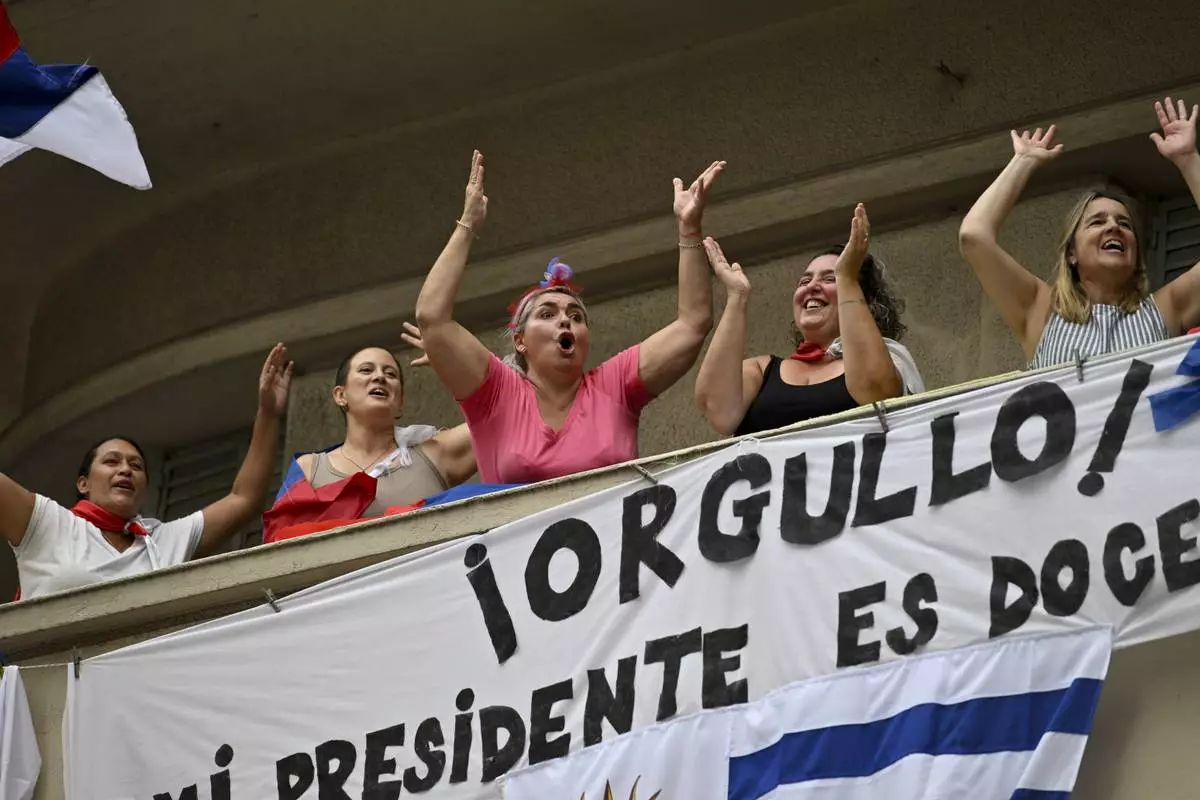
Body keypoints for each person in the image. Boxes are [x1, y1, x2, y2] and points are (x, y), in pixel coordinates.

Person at [413, 150, 720, 484]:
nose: (565, 320)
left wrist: (689, 228)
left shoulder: (615, 385)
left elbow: (693, 324)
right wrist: (468, 224)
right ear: (520, 340)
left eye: (576, 316)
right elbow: (432, 318)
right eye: (547, 313)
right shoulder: (496, 391)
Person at [1, 344, 293, 600]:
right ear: (83, 484)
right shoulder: (49, 524)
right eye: (111, 462)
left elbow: (245, 499)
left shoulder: (161, 540)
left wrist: (268, 414)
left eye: (136, 466)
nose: (125, 470)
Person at [958, 96, 1200, 369]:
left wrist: (1188, 159)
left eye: (1125, 224)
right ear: (1071, 252)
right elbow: (974, 237)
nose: (1113, 227)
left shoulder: (1167, 309)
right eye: (1097, 222)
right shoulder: (1040, 311)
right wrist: (1023, 161)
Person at [695, 203, 924, 436]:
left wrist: (846, 277)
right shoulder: (761, 370)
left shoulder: (890, 359)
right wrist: (737, 297)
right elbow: (717, 410)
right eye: (804, 281)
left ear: (864, 299)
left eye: (830, 279)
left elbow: (876, 392)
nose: (811, 287)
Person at [262, 343, 478, 542]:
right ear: (340, 395)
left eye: (390, 374)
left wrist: (457, 364)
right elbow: (279, 543)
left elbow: (495, 414)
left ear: (400, 403)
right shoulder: (311, 468)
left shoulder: (436, 452)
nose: (380, 377)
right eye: (366, 370)